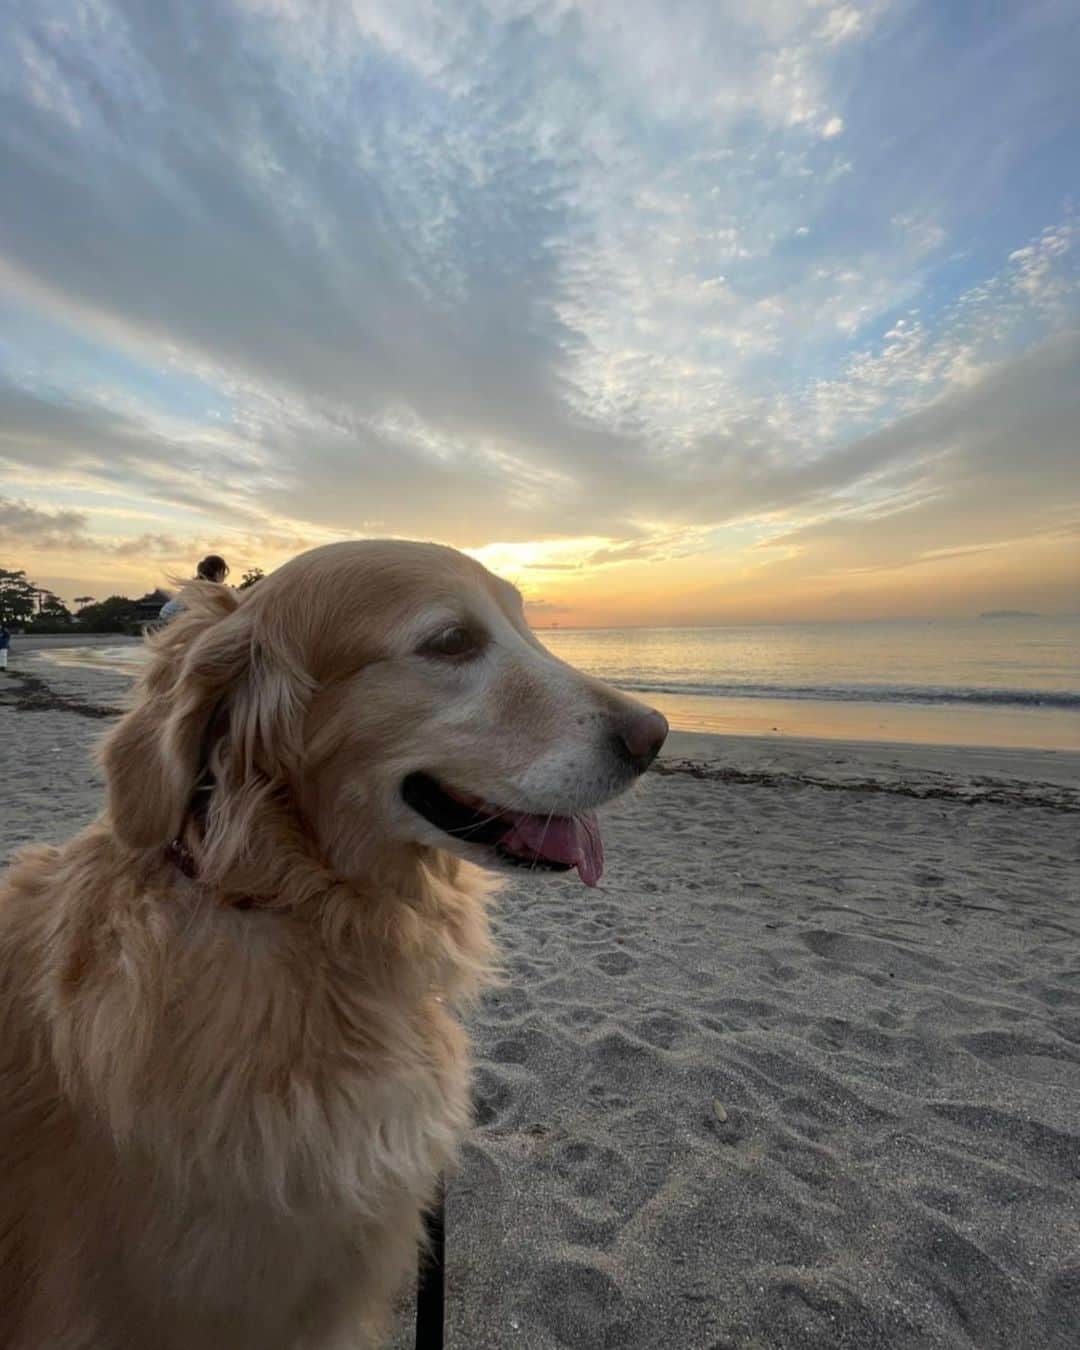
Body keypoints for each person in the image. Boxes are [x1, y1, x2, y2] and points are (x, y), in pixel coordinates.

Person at [159, 555, 230, 622]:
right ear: (218, 573)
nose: (224, 578)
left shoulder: (197, 585)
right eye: (224, 574)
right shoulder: (206, 590)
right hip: (174, 623)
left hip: (167, 618)